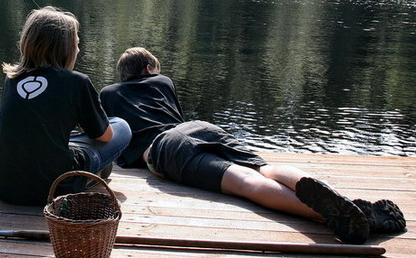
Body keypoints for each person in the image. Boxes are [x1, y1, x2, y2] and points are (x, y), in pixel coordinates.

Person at [100, 47, 406, 244]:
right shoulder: (163, 81)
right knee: (263, 167)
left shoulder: (108, 93)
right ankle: (347, 201)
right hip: (201, 127)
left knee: (246, 183)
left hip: (165, 147)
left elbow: (111, 138)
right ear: (149, 69)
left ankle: (334, 215)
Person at [0, 6, 131, 206]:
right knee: (121, 126)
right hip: (57, 188)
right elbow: (105, 136)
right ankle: (89, 172)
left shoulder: (12, 79)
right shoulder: (77, 82)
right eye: (77, 44)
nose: (78, 49)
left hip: (5, 187)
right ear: (66, 48)